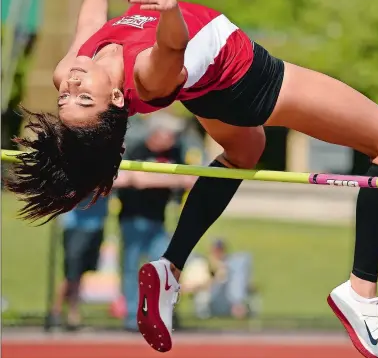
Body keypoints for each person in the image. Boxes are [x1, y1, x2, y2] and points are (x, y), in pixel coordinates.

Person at [5, 0, 378, 358]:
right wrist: (169, 10)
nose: (72, 89)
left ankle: (170, 267)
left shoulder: (72, 68)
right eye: (84, 100)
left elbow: (89, 21)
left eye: (67, 100)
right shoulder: (145, 78)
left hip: (211, 89)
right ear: (118, 101)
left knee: (246, 152)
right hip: (248, 79)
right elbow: (172, 47)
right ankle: (361, 291)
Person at [113, 113, 193, 331]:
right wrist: (168, 180)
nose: (175, 139)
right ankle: (132, 317)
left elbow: (190, 179)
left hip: (158, 221)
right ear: (158, 134)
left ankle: (161, 314)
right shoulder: (137, 149)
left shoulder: (175, 152)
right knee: (131, 268)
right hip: (132, 219)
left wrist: (160, 180)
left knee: (165, 268)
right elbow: (133, 179)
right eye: (171, 135)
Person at [48, 195, 109, 330]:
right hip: (75, 225)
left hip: (97, 223)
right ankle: (64, 311)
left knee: (81, 271)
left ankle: (62, 311)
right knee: (72, 272)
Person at [181, 238, 256, 320]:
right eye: (216, 250)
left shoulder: (229, 265)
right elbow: (187, 287)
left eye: (221, 250)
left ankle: (238, 306)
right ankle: (237, 307)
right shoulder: (201, 265)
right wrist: (213, 280)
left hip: (228, 299)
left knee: (240, 263)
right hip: (209, 298)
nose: (218, 253)